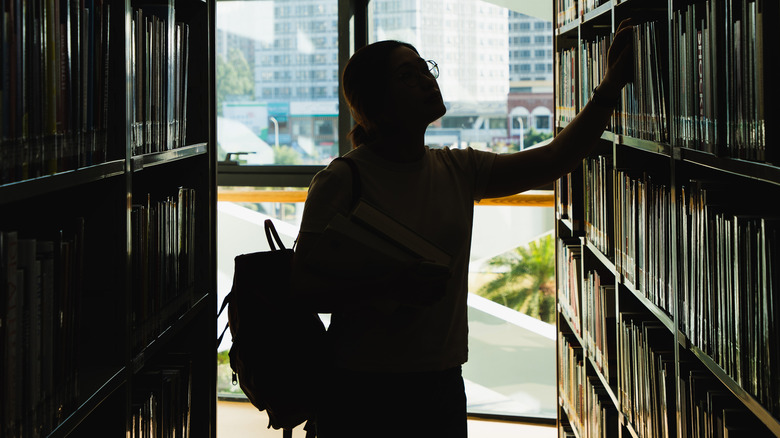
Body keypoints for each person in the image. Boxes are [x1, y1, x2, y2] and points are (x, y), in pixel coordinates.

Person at [292, 19, 634, 438]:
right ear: (375, 102)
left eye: (424, 69)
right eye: (406, 75)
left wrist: (611, 86)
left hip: (440, 378)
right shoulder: (342, 179)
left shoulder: (457, 169)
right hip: (359, 383)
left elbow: (554, 160)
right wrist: (391, 288)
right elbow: (303, 288)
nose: (425, 81)